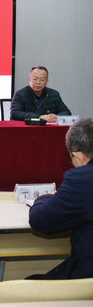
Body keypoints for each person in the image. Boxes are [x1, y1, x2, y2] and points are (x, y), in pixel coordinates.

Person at [28, 118, 93, 279]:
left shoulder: (82, 179)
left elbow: (40, 220)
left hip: (87, 276)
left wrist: (44, 197)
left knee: (29, 284)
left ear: (78, 155)